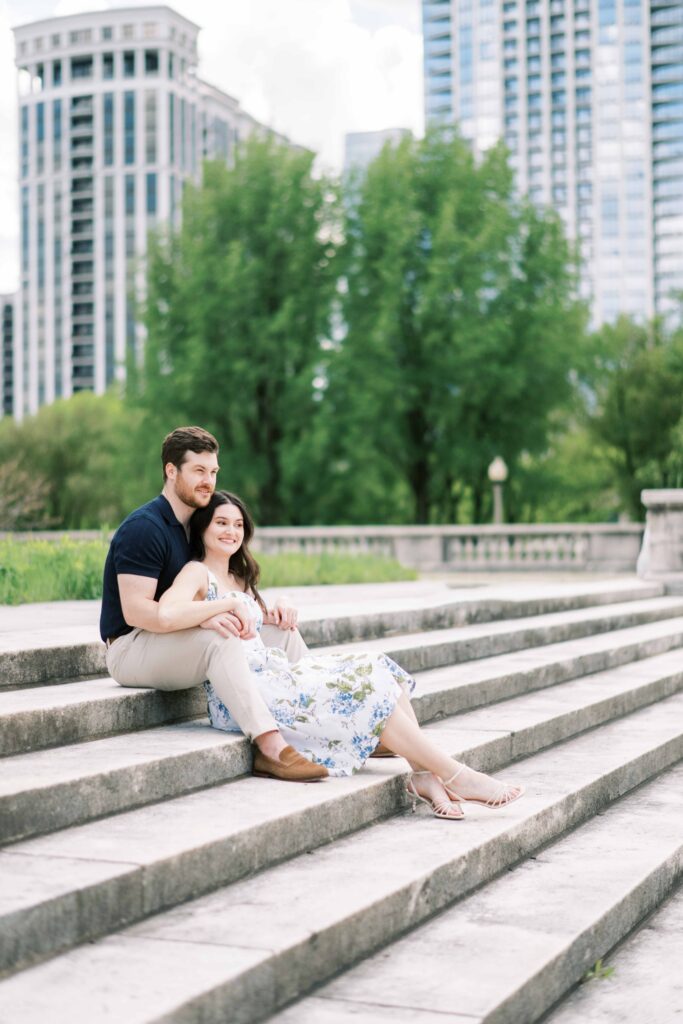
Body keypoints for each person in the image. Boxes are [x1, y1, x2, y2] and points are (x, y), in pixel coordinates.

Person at [159, 489, 525, 819]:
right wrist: (214, 611)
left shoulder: (240, 578)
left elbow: (254, 624)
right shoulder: (196, 572)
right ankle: (457, 776)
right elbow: (169, 611)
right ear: (204, 528)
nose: (231, 531)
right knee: (360, 686)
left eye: (238, 524)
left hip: (276, 673)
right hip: (245, 693)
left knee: (377, 666)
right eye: (221, 523)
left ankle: (426, 775)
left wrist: (277, 606)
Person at [100, 425, 326, 783]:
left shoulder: (194, 527)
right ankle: (270, 748)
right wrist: (206, 617)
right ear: (171, 471)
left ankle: (326, 720)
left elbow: (224, 596)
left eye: (213, 471)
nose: (208, 480)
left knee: (279, 633)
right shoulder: (144, 528)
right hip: (131, 649)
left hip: (173, 639)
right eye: (199, 471)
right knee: (220, 639)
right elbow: (137, 612)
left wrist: (273, 610)